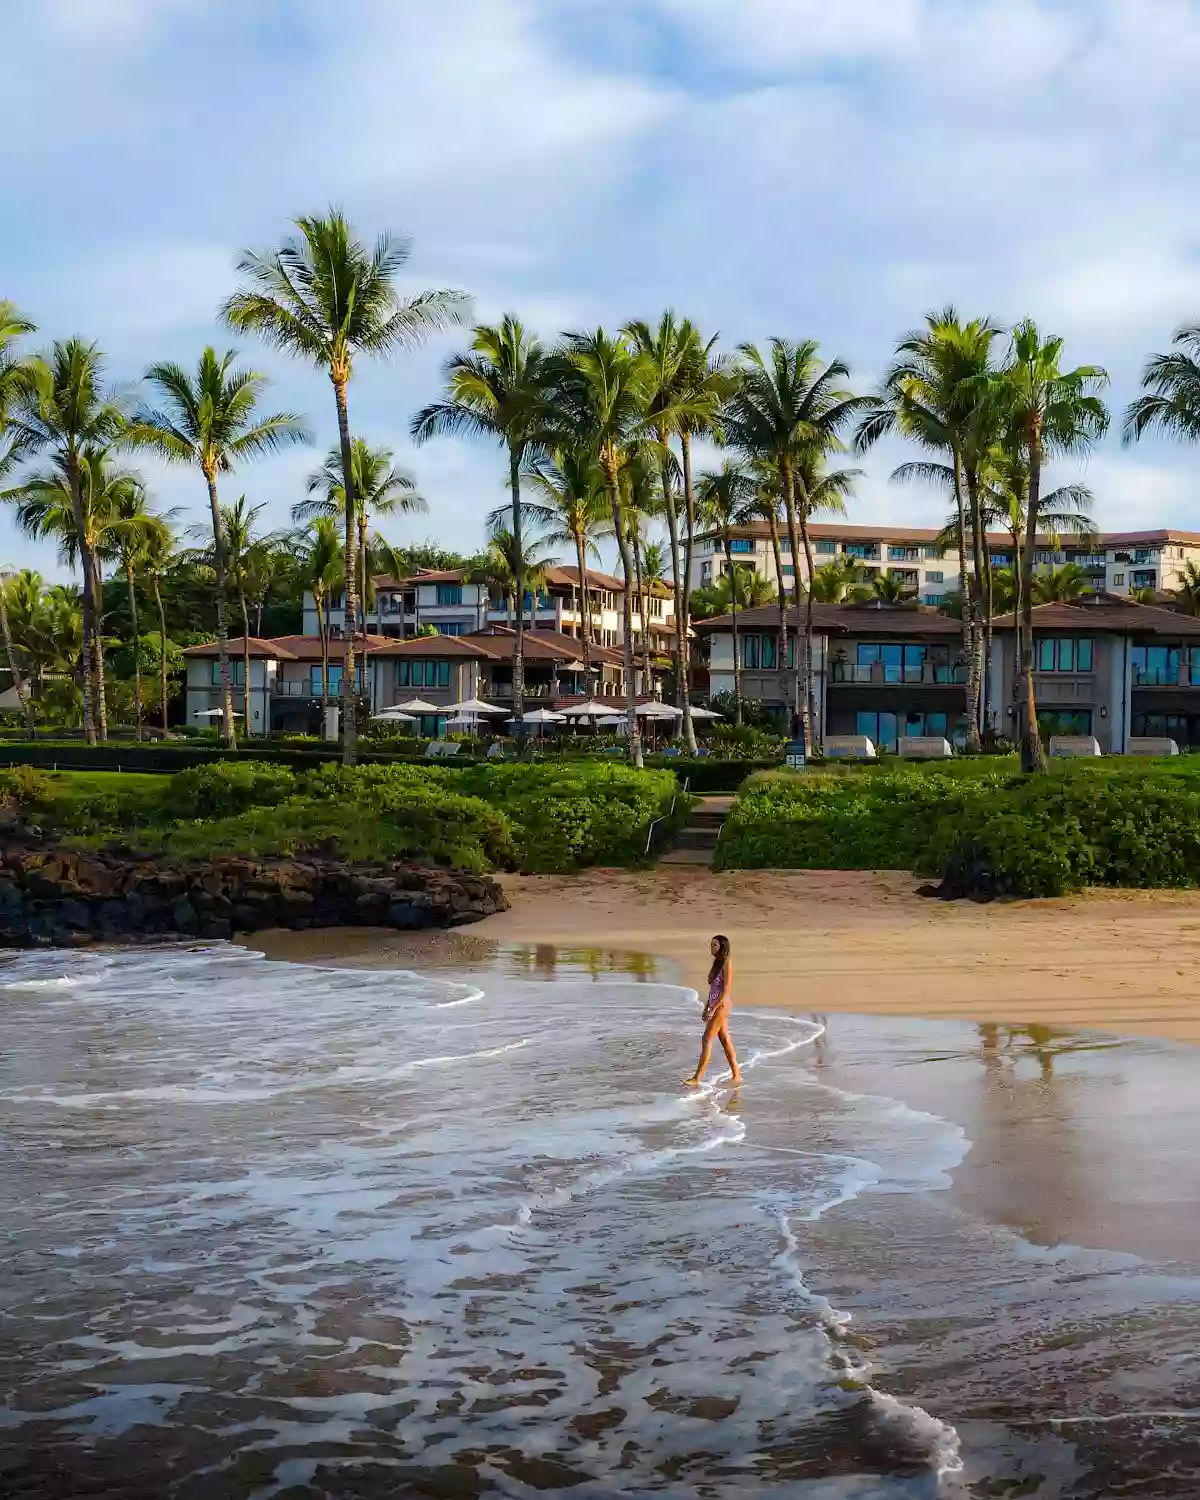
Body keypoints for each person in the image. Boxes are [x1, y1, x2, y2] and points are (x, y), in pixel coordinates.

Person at [684, 934, 742, 1087]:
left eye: (715, 945)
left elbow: (726, 990)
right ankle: (737, 1075)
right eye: (711, 945)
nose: (712, 947)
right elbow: (713, 990)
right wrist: (706, 1007)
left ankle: (697, 1078)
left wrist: (713, 1009)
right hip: (715, 1004)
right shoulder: (717, 963)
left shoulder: (727, 964)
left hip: (722, 1005)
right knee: (724, 1039)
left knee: (706, 1039)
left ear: (723, 947)